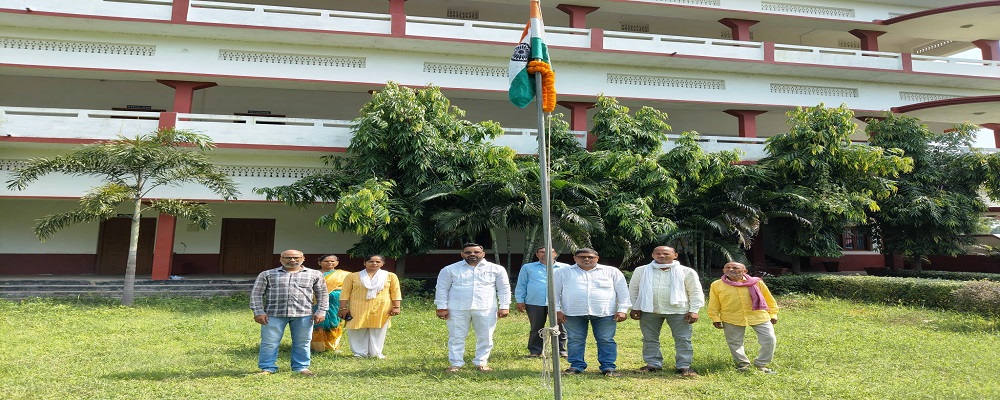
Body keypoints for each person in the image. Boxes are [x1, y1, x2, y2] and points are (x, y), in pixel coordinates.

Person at [628, 246, 705, 376]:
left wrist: (694, 310)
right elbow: (634, 289)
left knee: (683, 339)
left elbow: (695, 291)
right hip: (649, 309)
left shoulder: (686, 271)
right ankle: (652, 364)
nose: (662, 256)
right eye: (658, 253)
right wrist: (635, 307)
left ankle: (684, 366)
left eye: (666, 253)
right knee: (649, 338)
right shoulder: (641, 270)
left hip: (679, 311)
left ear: (675, 255)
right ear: (653, 255)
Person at [554, 248, 631, 377]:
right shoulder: (562, 272)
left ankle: (608, 367)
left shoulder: (611, 271)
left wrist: (622, 309)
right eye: (582, 257)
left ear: (597, 258)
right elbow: (553, 292)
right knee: (575, 339)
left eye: (590, 257)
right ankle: (576, 366)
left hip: (604, 312)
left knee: (606, 339)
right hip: (573, 312)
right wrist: (556, 310)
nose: (586, 259)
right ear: (575, 258)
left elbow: (623, 292)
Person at [249, 249, 328, 376]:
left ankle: (301, 367)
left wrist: (321, 311)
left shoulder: (314, 274)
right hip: (273, 314)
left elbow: (322, 294)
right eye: (288, 258)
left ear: (303, 258)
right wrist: (258, 311)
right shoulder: (267, 274)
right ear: (280, 259)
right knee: (269, 342)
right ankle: (267, 368)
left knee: (303, 342)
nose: (292, 260)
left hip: (304, 314)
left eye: (296, 257)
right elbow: (256, 294)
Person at [435, 243, 511, 373]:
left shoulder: (496, 269)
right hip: (457, 308)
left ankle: (482, 362)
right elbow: (442, 289)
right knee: (456, 337)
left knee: (485, 336)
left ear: (483, 254)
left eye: (476, 252)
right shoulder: (449, 269)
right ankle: (455, 364)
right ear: (462, 254)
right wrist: (441, 307)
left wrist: (504, 306)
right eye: (468, 252)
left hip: (486, 308)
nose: (472, 255)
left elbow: (504, 289)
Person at [707, 262, 779, 374]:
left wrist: (773, 314)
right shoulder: (717, 285)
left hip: (758, 315)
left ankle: (761, 364)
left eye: (735, 268)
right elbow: (714, 303)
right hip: (731, 317)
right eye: (728, 267)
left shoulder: (756, 282)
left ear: (744, 271)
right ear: (723, 270)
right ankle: (743, 365)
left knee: (769, 339)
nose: (731, 269)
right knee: (735, 343)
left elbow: (769, 298)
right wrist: (715, 317)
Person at [338, 255, 402, 359]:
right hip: (357, 307)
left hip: (381, 307)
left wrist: (396, 306)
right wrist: (343, 308)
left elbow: (396, 292)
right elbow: (345, 293)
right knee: (357, 329)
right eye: (371, 261)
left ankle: (376, 353)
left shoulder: (390, 276)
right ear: (365, 263)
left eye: (378, 261)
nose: (374, 263)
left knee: (378, 330)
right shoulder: (353, 276)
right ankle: (359, 353)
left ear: (382, 263)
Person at [514, 247, 569, 358]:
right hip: (535, 302)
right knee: (536, 327)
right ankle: (535, 351)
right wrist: (520, 300)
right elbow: (521, 285)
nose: (545, 254)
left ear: (555, 254)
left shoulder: (565, 268)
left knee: (561, 327)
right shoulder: (528, 267)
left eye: (549, 252)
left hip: (558, 303)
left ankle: (561, 350)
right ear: (537, 254)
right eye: (542, 252)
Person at [312, 254, 351, 352]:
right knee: (317, 322)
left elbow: (348, 288)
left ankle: (332, 345)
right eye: (326, 261)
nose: (329, 263)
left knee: (334, 321)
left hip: (334, 302)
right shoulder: (312, 274)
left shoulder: (345, 274)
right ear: (319, 263)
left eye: (332, 261)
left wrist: (335, 290)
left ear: (337, 263)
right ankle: (316, 346)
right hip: (315, 301)